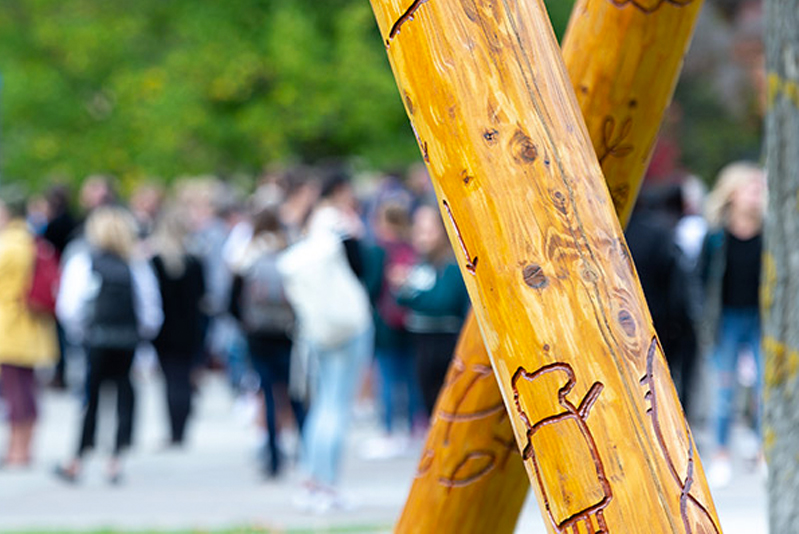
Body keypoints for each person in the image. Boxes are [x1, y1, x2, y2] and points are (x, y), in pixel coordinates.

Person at [279, 170, 373, 510]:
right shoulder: (338, 223)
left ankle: (311, 479)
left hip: (318, 327)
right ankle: (328, 483)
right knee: (337, 405)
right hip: (348, 324)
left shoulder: (308, 224)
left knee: (322, 405)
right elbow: (362, 266)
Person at [55, 206, 163, 483]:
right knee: (123, 395)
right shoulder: (135, 264)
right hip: (127, 340)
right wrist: (140, 336)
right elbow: (151, 310)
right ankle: (115, 459)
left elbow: (70, 307)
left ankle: (78, 457)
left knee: (90, 398)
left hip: (96, 340)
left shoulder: (84, 262)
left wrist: (81, 334)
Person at [699, 161, 766, 488]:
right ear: (733, 192)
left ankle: (765, 453)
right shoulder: (716, 235)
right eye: (752, 188)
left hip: (761, 320)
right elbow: (700, 282)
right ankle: (721, 454)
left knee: (766, 386)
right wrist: (703, 321)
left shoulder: (771, 232)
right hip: (726, 319)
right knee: (724, 391)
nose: (757, 194)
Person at [230, 207, 305, 478]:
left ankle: (273, 458)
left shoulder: (249, 257)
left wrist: (246, 323)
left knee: (268, 394)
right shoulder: (291, 253)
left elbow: (232, 300)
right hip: (287, 332)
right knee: (295, 393)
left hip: (258, 334)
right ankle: (307, 452)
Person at [392, 205, 471, 416]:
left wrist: (411, 294)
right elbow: (401, 296)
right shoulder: (422, 263)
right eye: (418, 230)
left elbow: (442, 302)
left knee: (445, 405)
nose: (422, 237)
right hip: (422, 342)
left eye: (428, 231)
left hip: (444, 342)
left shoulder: (451, 265)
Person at [0, 190, 58, 466]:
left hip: (9, 327)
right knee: (26, 388)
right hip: (30, 326)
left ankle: (17, 450)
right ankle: (24, 448)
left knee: (14, 392)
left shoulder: (8, 246)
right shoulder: (31, 241)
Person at [362, 201, 422, 456]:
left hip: (386, 322)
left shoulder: (379, 251)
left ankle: (388, 430)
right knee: (410, 376)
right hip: (410, 319)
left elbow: (372, 287)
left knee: (386, 375)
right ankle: (413, 428)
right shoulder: (412, 247)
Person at [150, 207, 206, 447]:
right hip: (190, 328)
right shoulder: (194, 261)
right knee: (184, 378)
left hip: (165, 329)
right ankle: (181, 430)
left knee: (172, 380)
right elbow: (203, 296)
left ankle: (175, 432)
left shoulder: (156, 261)